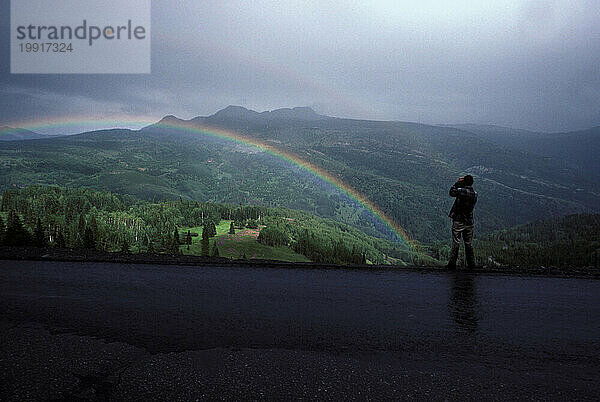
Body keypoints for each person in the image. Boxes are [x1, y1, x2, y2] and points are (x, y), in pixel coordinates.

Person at [447, 175, 478, 269]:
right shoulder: (475, 194)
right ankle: (471, 265)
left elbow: (451, 192)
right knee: (469, 243)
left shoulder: (461, 191)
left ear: (464, 182)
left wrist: (457, 183)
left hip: (458, 220)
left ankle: (452, 264)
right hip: (469, 221)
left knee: (456, 242)